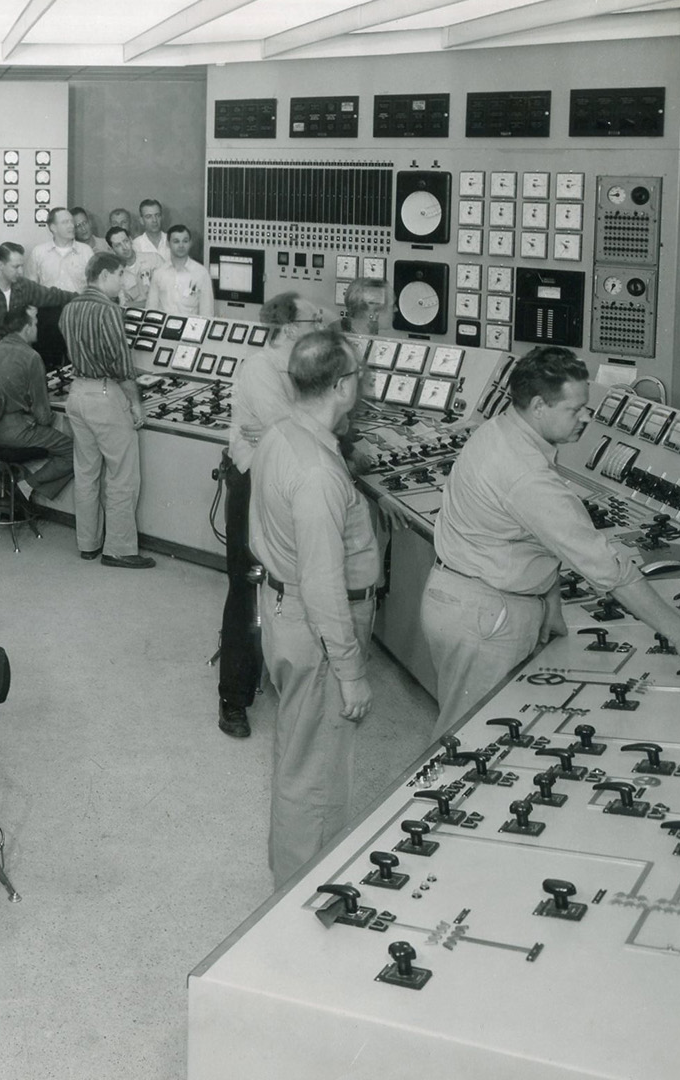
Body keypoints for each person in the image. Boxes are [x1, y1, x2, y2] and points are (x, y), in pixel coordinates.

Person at [422, 347, 680, 738]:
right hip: (486, 616)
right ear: (538, 406)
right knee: (468, 739)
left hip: (459, 596)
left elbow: (526, 537)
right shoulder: (526, 476)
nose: (586, 417)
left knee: (478, 728)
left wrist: (549, 602)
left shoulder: (500, 429)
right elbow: (607, 569)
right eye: (575, 409)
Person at [251, 329, 381, 881]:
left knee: (301, 755)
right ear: (341, 385)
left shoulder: (282, 433)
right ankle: (300, 897)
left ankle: (296, 878)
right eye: (357, 376)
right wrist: (350, 672)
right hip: (319, 630)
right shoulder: (319, 474)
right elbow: (325, 585)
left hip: (284, 612)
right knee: (318, 775)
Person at [215, 293, 322, 739]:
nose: (320, 323)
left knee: (291, 585)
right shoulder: (261, 366)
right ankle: (233, 697)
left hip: (291, 484)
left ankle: (285, 680)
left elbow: (309, 423)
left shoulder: (309, 365)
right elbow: (293, 425)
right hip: (255, 482)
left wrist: (292, 424)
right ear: (289, 326)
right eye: (313, 318)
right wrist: (295, 423)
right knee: (247, 586)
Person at [62, 252, 151, 569]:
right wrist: (136, 403)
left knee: (86, 474)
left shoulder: (69, 309)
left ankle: (88, 544)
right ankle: (119, 549)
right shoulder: (111, 311)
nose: (123, 281)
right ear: (104, 276)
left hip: (77, 394)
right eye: (119, 275)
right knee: (122, 475)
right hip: (105, 395)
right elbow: (123, 366)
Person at [0, 307, 74, 499]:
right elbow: (43, 416)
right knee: (73, 451)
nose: (37, 328)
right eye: (35, 324)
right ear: (26, 328)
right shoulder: (31, 357)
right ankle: (24, 487)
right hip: (11, 435)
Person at [31, 208, 92, 370]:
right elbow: (31, 291)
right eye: (65, 222)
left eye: (72, 222)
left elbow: (94, 287)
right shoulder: (39, 253)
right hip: (48, 318)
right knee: (49, 368)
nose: (72, 226)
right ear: (52, 227)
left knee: (81, 366)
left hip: (79, 316)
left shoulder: (86, 252)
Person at [148, 225, 212, 317]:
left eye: (185, 241)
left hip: (191, 329)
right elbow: (151, 309)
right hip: (164, 328)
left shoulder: (201, 273)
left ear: (190, 243)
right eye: (176, 241)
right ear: (168, 243)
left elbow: (207, 312)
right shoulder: (159, 273)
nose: (181, 245)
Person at [104, 226, 159, 308]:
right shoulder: (114, 275)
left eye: (125, 241)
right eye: (118, 245)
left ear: (131, 240)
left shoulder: (154, 259)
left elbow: (169, 289)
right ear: (111, 249)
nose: (124, 247)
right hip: (134, 318)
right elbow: (123, 306)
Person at [134, 199, 173, 265]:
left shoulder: (173, 240)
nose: (154, 220)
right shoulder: (135, 246)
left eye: (157, 215)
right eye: (148, 216)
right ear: (141, 220)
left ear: (162, 217)